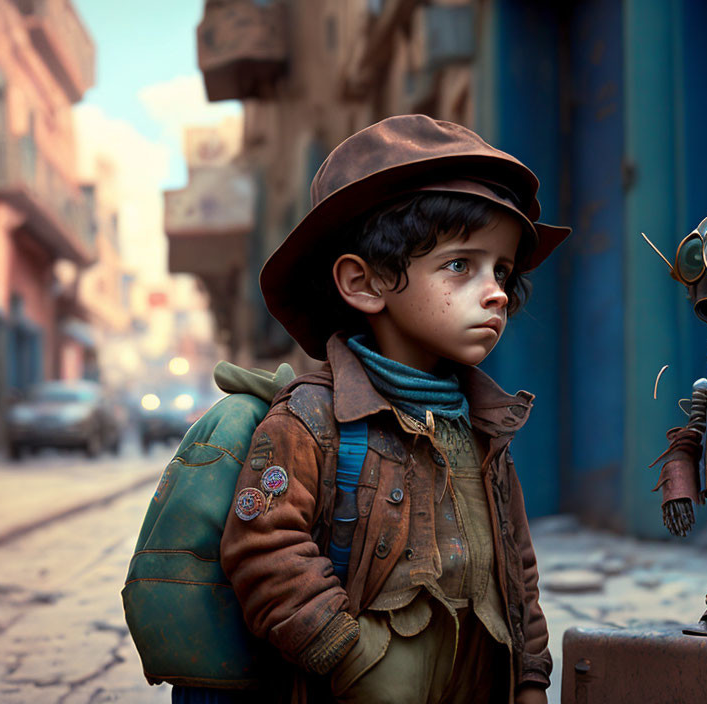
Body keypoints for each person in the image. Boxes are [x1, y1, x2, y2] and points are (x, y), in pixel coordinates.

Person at [220, 114, 571, 704]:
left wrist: (530, 677)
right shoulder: (312, 419)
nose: (497, 292)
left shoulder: (485, 426)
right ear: (365, 282)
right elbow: (264, 547)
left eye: (503, 270)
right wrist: (347, 655)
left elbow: (518, 566)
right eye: (461, 265)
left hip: (480, 675)